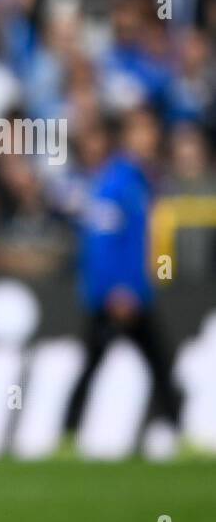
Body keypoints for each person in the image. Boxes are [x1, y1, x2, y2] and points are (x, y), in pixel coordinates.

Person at [63, 113, 182, 450]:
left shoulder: (136, 180)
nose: (150, 137)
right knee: (143, 364)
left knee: (151, 364)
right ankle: (68, 433)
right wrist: (118, 290)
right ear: (126, 137)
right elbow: (104, 246)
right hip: (120, 296)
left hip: (131, 293)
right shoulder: (118, 183)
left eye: (152, 130)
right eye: (141, 131)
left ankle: (69, 433)